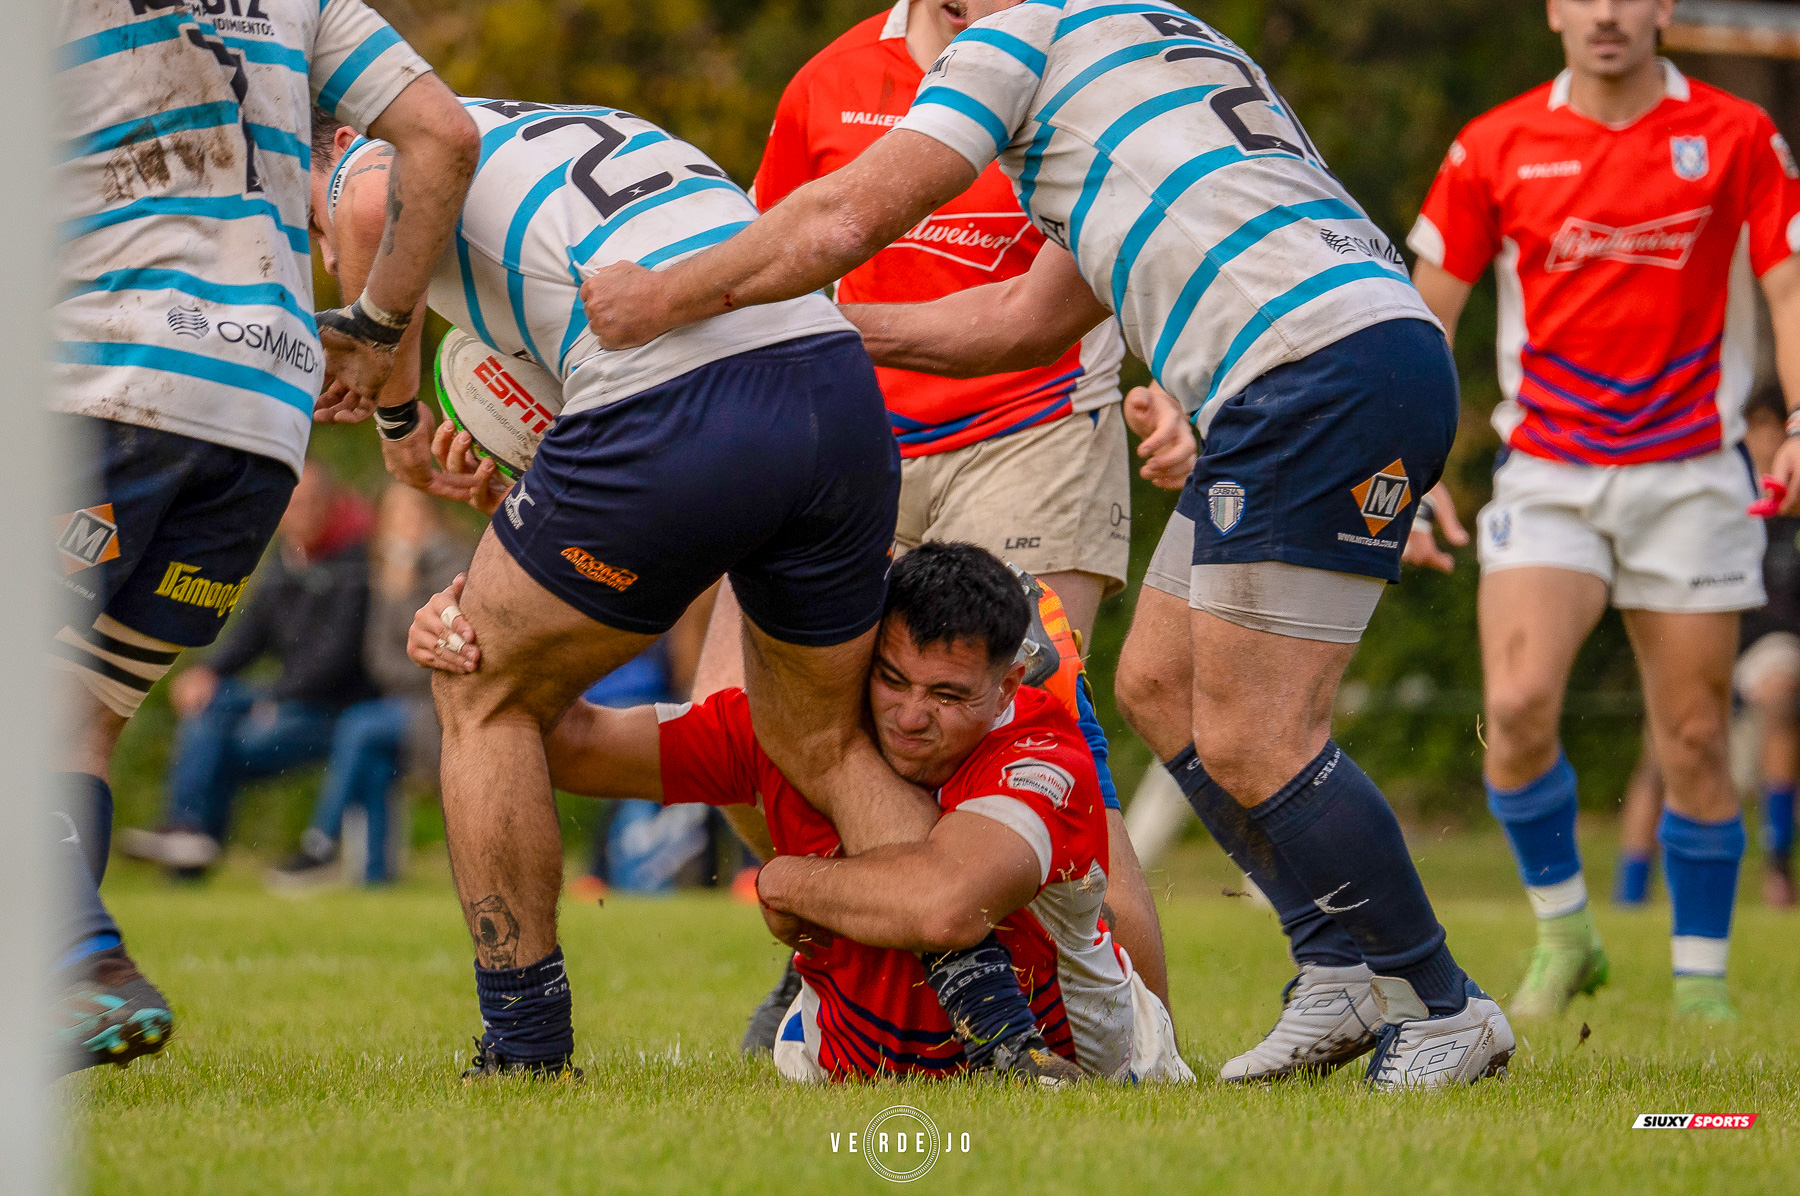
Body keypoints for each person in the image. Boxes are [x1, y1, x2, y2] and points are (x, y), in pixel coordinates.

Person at [578, 0, 1512, 1089]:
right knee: (1161, 684)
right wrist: (835, 329)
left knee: (1260, 734)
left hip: (1311, 372)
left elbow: (844, 217)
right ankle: (1339, 960)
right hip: (1342, 353)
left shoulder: (1015, 43)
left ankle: (1441, 1000)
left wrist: (664, 298)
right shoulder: (1156, 36)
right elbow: (1023, 319)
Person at [313, 101, 1030, 1083]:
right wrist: (471, 468)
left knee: (485, 692)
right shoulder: (561, 128)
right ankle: (999, 1015)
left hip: (676, 400)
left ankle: (523, 1045)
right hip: (831, 388)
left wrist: (392, 412)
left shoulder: (375, 160)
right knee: (820, 742)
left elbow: (366, 213)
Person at [51, 0, 476, 1071]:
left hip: (103, 373)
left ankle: (76, 958)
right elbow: (443, 135)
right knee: (80, 710)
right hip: (259, 413)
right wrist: (379, 333)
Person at [746, 0, 1191, 1009]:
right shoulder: (830, 80)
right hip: (862, 453)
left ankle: (1146, 1044)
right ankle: (853, 943)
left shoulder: (1093, 63)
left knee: (1036, 732)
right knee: (805, 728)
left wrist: (1174, 388)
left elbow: (1153, 248)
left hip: (1037, 435)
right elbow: (762, 271)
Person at [416, 542, 1190, 1083]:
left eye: (948, 695)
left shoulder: (1038, 754)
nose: (913, 716)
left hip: (1081, 1068)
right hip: (841, 1068)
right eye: (892, 679)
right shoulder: (781, 724)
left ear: (1008, 684)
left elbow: (947, 904)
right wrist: (476, 636)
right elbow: (571, 743)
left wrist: (785, 882)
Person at [1405, 0, 1800, 1020]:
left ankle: (1702, 986)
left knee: (1697, 737)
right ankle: (1567, 930)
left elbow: (1788, 285)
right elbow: (1422, 317)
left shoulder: (1736, 133)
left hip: (1694, 477)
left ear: (1665, 7)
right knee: (1518, 706)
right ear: (1555, 10)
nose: (1610, 13)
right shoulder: (1492, 144)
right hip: (1547, 476)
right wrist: (1405, 459)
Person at [120, 462, 376, 873]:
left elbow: (336, 657)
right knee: (211, 702)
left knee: (216, 743)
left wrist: (272, 698)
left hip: (336, 711)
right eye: (293, 505)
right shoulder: (285, 559)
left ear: (329, 504)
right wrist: (210, 670)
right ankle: (188, 838)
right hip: (288, 701)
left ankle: (189, 844)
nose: (300, 513)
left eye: (310, 502)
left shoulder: (354, 563)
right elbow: (250, 631)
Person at [1616, 388, 1800, 910]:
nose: (1763, 439)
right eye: (1754, 427)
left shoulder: (1794, 510)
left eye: (1773, 427)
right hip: (1704, 641)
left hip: (1770, 646)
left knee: (1781, 689)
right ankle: (1630, 893)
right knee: (1661, 752)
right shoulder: (1710, 498)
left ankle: (1778, 871)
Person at [269, 485, 474, 888]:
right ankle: (377, 877)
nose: (406, 525)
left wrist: (405, 595)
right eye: (395, 516)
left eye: (413, 513)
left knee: (359, 727)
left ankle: (320, 844)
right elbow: (379, 660)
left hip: (446, 706)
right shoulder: (387, 573)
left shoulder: (454, 566)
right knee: (377, 760)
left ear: (432, 515)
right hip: (404, 707)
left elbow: (449, 654)